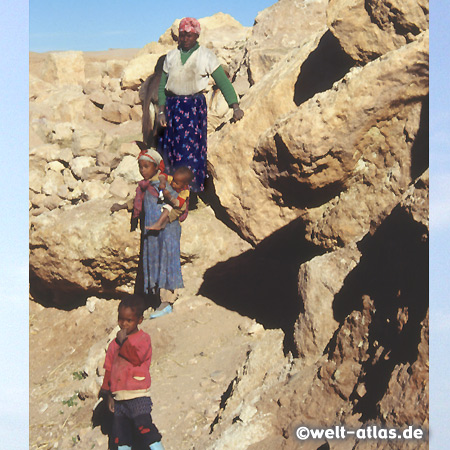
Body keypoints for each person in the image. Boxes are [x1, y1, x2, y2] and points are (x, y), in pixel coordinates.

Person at [158, 17, 244, 195]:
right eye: (182, 35)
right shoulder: (171, 57)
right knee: (170, 150)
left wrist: (234, 106)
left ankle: (188, 193)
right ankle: (171, 191)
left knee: (189, 151)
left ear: (196, 35)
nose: (185, 38)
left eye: (189, 35)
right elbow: (162, 86)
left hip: (192, 108)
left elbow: (222, 81)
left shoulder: (206, 55)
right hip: (172, 107)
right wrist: (161, 110)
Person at [111, 146, 184, 318]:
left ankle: (167, 303)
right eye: (140, 167)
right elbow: (139, 201)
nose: (143, 170)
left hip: (166, 231)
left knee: (166, 261)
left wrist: (166, 220)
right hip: (151, 233)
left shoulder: (164, 184)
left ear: (157, 167)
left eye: (146, 167)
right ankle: (155, 300)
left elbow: (179, 205)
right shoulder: (145, 186)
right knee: (152, 263)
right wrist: (123, 205)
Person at [100, 295, 164, 450]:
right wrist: (108, 394)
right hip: (119, 398)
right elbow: (109, 368)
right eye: (121, 319)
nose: (124, 324)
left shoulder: (143, 339)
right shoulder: (114, 344)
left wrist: (124, 342)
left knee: (144, 427)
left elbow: (136, 358)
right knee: (121, 436)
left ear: (139, 320)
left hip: (137, 395)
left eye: (129, 320)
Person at [147, 166, 194, 231]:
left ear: (185, 184)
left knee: (167, 209)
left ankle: (158, 224)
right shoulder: (174, 180)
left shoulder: (185, 191)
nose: (173, 183)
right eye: (174, 180)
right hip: (168, 200)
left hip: (177, 207)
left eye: (176, 183)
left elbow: (179, 204)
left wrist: (169, 196)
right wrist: (162, 182)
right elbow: (162, 175)